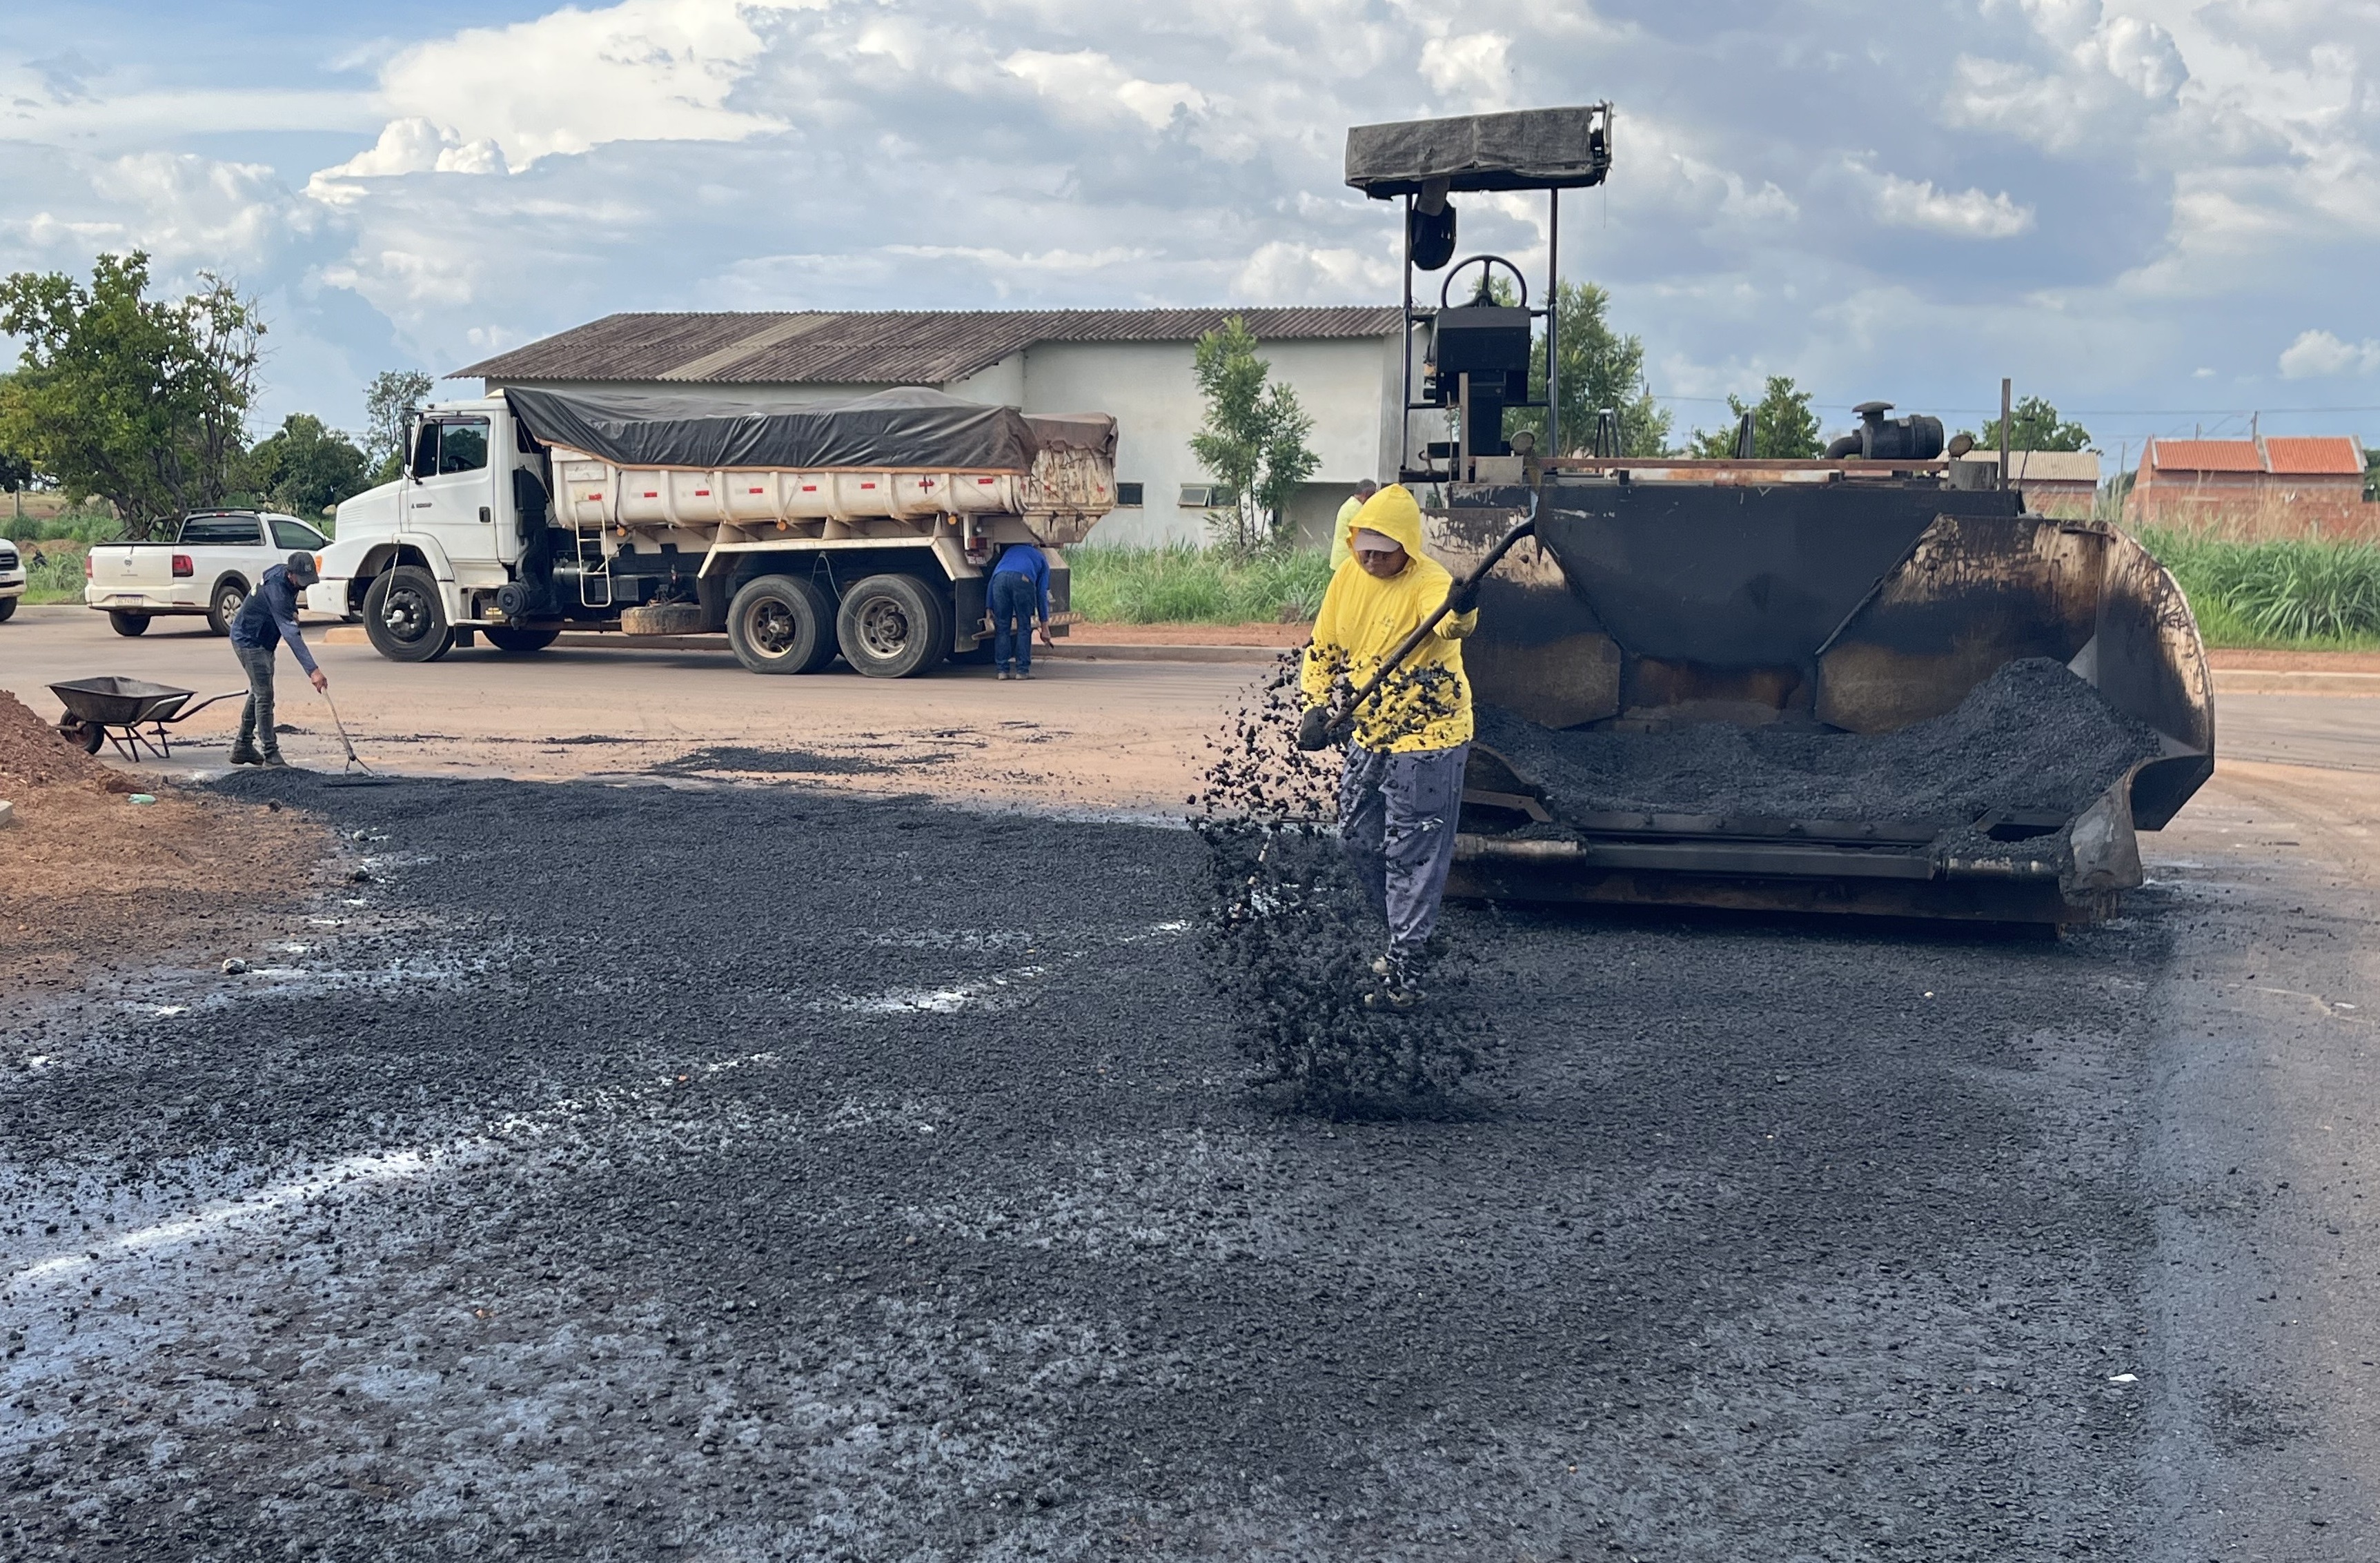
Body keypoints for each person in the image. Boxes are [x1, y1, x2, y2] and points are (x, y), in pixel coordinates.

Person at [1296, 484, 1479, 1007]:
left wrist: (1464, 608)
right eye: (1363, 549)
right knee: (1357, 838)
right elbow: (1323, 647)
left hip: (1429, 735)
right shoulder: (1348, 578)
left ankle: (1405, 966)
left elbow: (1450, 624)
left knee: (1411, 852)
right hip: (1368, 728)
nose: (1371, 560)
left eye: (1382, 551)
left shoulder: (1430, 581)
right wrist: (1313, 706)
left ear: (1406, 546)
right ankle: (1405, 937)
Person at [227, 551, 327, 767]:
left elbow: (280, 606)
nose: (304, 586)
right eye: (301, 581)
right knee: (264, 695)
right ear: (290, 575)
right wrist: (313, 671)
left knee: (258, 691)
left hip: (263, 638)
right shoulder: (278, 591)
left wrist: (291, 611)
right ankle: (271, 755)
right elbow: (291, 635)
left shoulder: (282, 575)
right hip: (249, 641)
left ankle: (242, 746)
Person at [987, 540, 1054, 680]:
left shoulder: (1009, 553)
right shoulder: (1041, 558)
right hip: (1023, 580)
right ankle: (1022, 671)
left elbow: (993, 579)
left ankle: (1002, 671)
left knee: (1002, 627)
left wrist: (989, 606)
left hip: (999, 581)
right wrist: (1045, 626)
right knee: (1024, 627)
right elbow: (1041, 594)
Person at [1327, 478, 1381, 572]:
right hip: (1347, 558)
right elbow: (1370, 529)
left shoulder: (1350, 504)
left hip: (1340, 557)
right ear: (1366, 494)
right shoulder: (1357, 509)